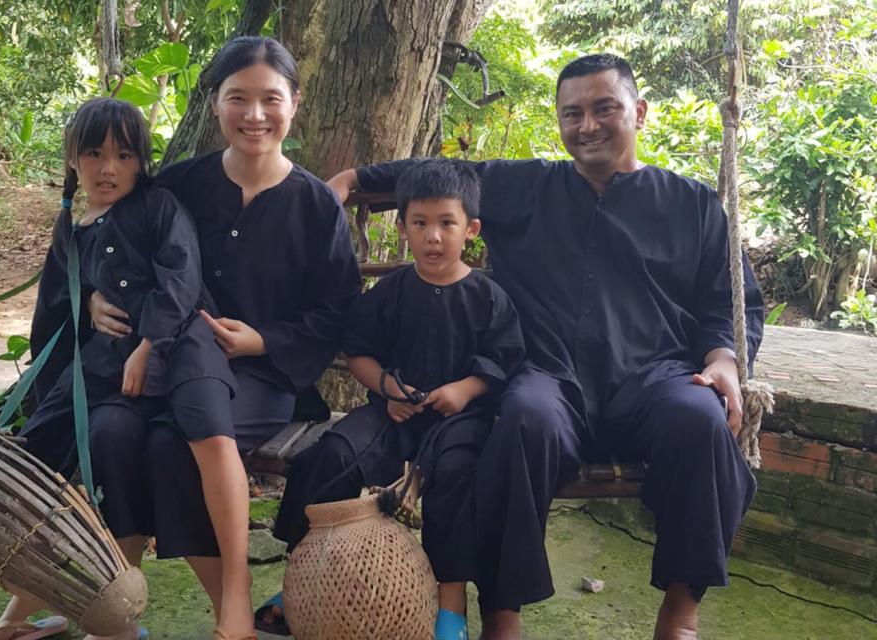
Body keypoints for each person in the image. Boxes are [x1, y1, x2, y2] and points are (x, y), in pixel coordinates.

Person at [326, 54, 764, 640]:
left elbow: (727, 305)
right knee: (522, 419)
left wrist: (722, 361)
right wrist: (355, 179)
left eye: (604, 108)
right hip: (551, 376)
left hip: (655, 378)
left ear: (639, 111)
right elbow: (435, 173)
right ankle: (502, 614)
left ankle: (680, 612)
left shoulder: (693, 205)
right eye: (572, 113)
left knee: (702, 419)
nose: (587, 125)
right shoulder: (525, 186)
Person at [85, 36, 361, 640]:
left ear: (295, 102)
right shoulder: (180, 185)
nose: (254, 115)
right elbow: (118, 251)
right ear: (215, 103)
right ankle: (112, 602)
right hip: (165, 364)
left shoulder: (316, 206)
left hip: (262, 377)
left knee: (169, 446)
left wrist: (261, 341)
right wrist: (95, 296)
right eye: (238, 98)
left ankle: (228, 613)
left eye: (270, 99)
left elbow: (337, 311)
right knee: (112, 434)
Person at [0, 97, 258, 640]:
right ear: (72, 160)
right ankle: (105, 617)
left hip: (177, 358)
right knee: (79, 448)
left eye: (124, 156)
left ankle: (231, 605)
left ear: (141, 162)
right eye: (94, 154)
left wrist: (149, 341)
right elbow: (54, 309)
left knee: (170, 450)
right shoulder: (71, 229)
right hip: (110, 382)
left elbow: (182, 276)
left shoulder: (158, 208)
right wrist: (85, 302)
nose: (109, 168)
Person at [265, 158, 524, 640]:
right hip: (392, 413)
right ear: (402, 227)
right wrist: (385, 387)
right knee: (331, 455)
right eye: (420, 223)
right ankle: (298, 577)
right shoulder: (389, 293)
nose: (433, 237)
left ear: (471, 230)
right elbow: (359, 353)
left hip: (458, 421)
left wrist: (464, 389)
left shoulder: (488, 297)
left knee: (456, 476)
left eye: (447, 223)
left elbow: (503, 362)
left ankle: (451, 610)